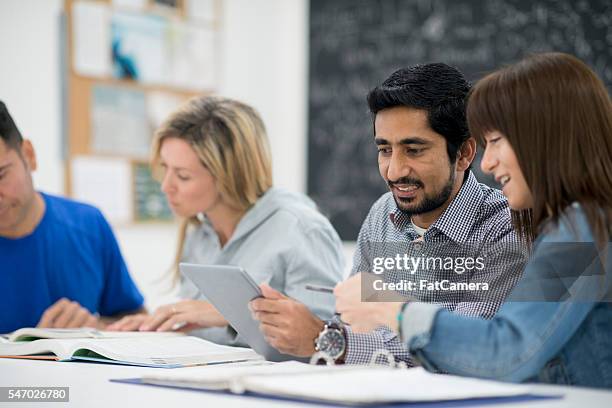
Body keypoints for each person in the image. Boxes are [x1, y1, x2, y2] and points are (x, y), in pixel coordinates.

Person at [335, 53, 612, 388]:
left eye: (495, 141)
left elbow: (506, 352)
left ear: (545, 138)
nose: (488, 163)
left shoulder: (582, 231)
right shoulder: (578, 224)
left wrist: (395, 310)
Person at [250, 63, 526, 363]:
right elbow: (352, 321)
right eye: (384, 150)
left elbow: (462, 351)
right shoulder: (383, 214)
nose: (394, 171)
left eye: (414, 150)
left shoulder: (505, 229)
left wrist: (326, 339)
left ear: (463, 154)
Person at [108, 96, 344, 348]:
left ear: (228, 176)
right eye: (164, 168)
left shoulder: (302, 230)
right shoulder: (199, 234)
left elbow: (328, 345)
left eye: (183, 176)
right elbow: (200, 330)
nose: (166, 186)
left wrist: (228, 313)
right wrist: (152, 328)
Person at [0, 101, 145, 333]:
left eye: (1, 175)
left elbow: (136, 319)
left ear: (29, 155)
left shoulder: (88, 224)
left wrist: (95, 327)